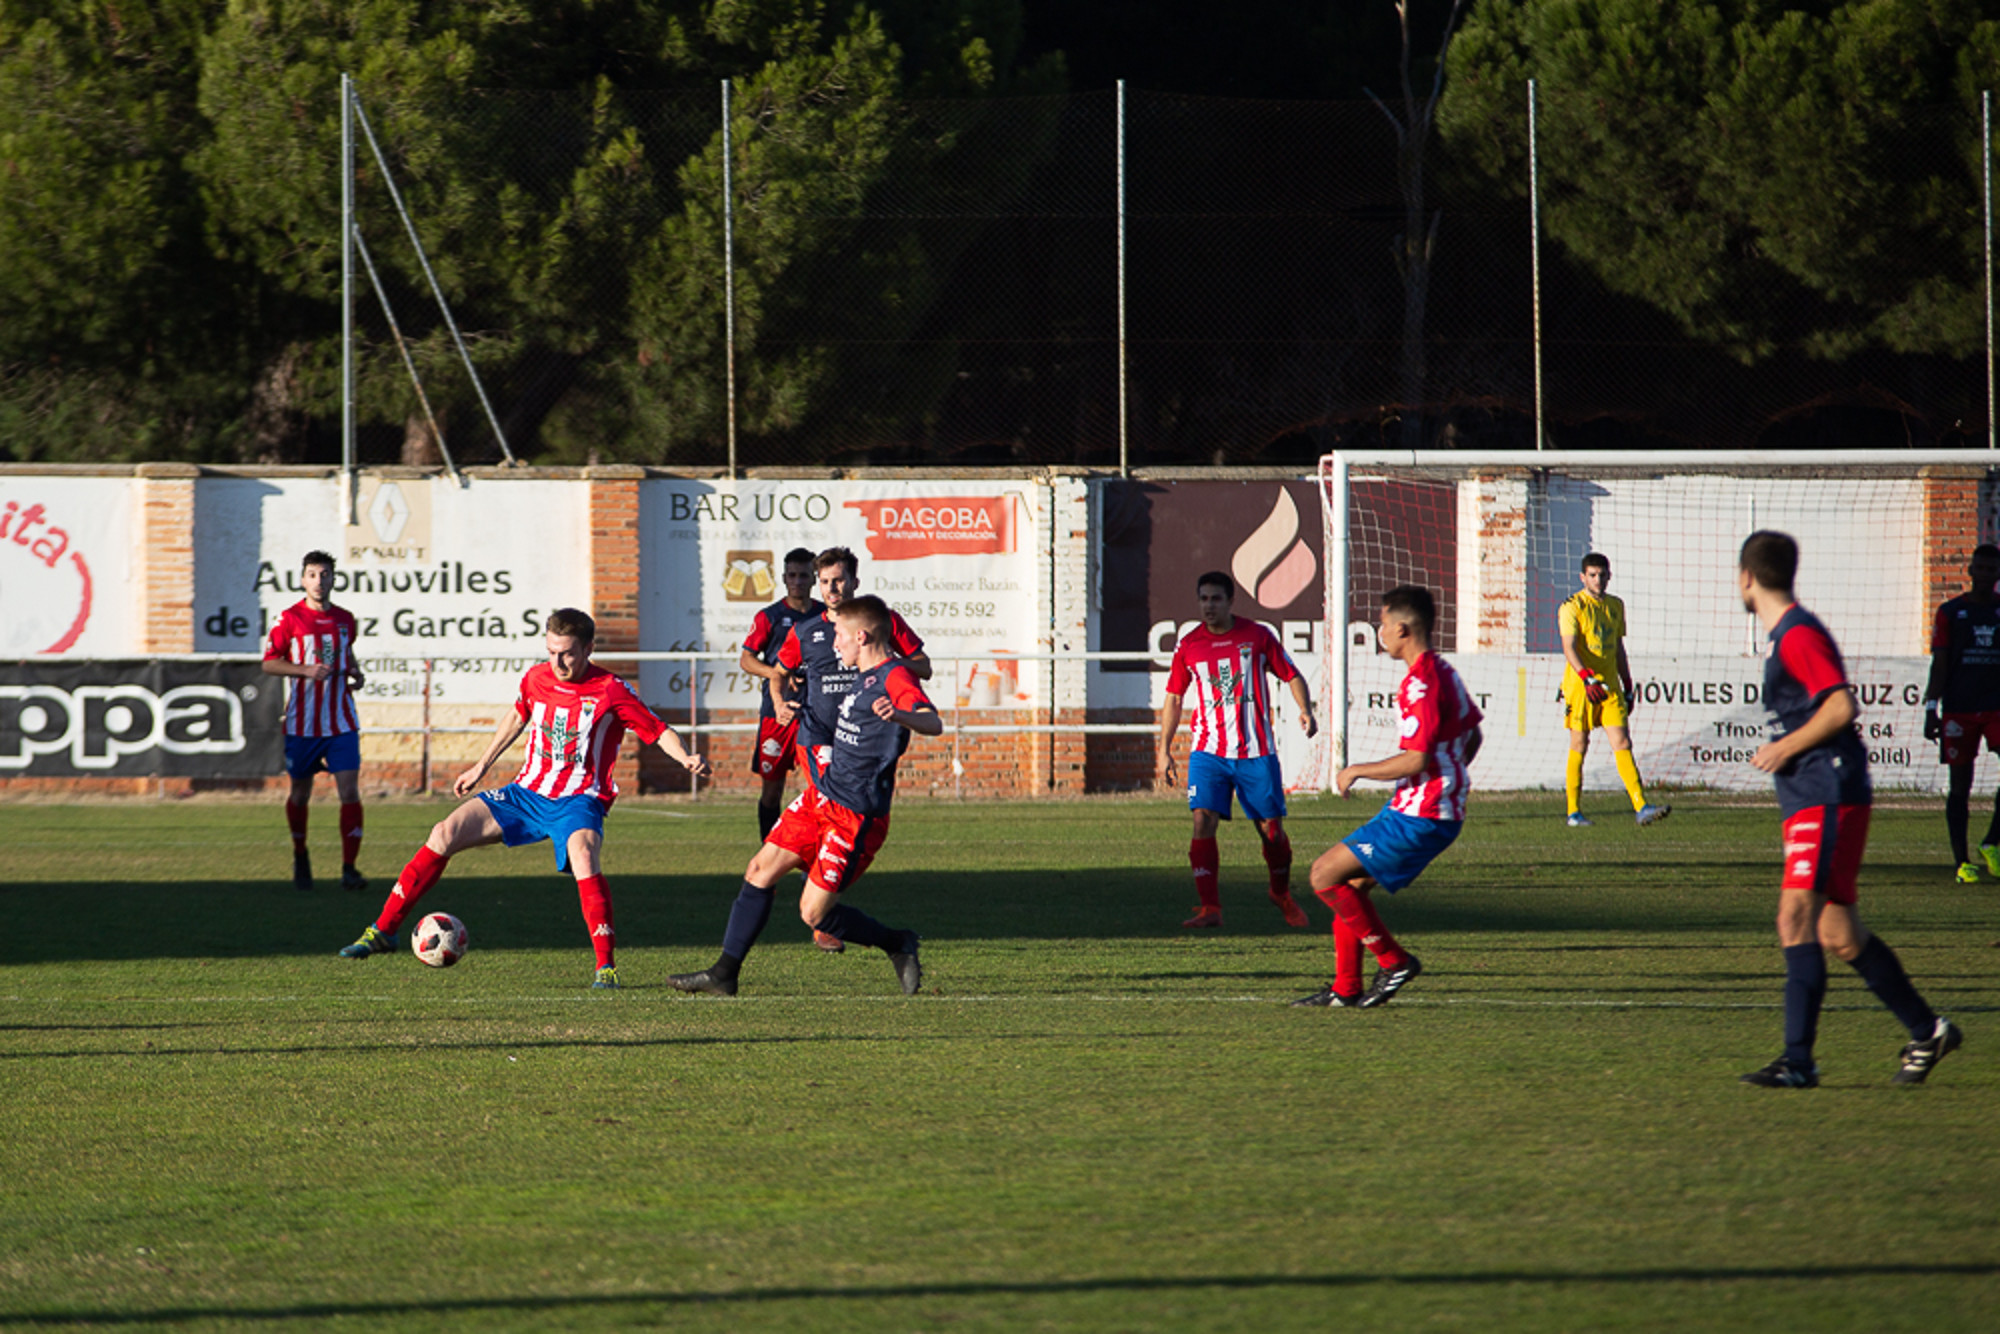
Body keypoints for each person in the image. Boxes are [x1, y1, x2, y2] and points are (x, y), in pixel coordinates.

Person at [336, 608, 709, 989]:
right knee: (443, 832)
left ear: (588, 648)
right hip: (525, 793)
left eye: (567, 653)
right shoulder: (536, 678)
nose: (558, 662)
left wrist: (686, 757)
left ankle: (605, 968)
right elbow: (517, 718)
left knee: (583, 855)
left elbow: (658, 729)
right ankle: (383, 931)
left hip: (578, 799)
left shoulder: (611, 689)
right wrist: (480, 766)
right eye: (551, 652)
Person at [1735, 531, 1962, 1088]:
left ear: (1746, 578)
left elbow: (1840, 704)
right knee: (1839, 934)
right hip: (1819, 795)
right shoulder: (1789, 633)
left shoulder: (1796, 635)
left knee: (1794, 918)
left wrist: (1784, 748)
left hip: (1825, 794)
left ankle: (1798, 1060)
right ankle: (1928, 1029)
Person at [667, 595, 938, 997]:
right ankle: (724, 974)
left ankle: (897, 943)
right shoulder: (861, 674)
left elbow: (932, 722)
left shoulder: (894, 676)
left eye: (840, 636)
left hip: (857, 816)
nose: (834, 644)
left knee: (813, 914)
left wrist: (900, 715)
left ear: (860, 636)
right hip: (821, 796)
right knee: (759, 870)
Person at [1291, 585, 1482, 1009]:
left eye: (1381, 624)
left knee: (1323, 875)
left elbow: (1416, 759)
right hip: (1428, 810)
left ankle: (1394, 961)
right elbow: (1473, 734)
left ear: (1401, 629)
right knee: (1350, 887)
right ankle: (1346, 988)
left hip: (1422, 815)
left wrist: (1357, 769)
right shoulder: (1444, 671)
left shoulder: (1420, 684)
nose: (1378, 631)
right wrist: (1451, 780)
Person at [772, 546, 929, 953]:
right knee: (819, 815)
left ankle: (820, 909)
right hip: (816, 737)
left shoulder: (878, 623)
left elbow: (923, 667)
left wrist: (885, 669)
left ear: (854, 581)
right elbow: (780, 672)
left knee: (840, 815)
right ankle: (819, 912)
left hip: (859, 741)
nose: (831, 588)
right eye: (824, 581)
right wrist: (779, 699)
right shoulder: (807, 630)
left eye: (838, 580)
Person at [1157, 571, 1317, 930]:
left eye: (1215, 599)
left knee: (1271, 831)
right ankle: (1209, 908)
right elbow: (1174, 697)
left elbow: (1291, 675)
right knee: (1202, 821)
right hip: (1208, 752)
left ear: (1230, 601)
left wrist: (1305, 710)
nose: (1208, 606)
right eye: (1203, 599)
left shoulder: (1258, 636)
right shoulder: (1189, 645)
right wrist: (1163, 748)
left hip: (1256, 751)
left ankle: (1280, 893)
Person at [261, 550, 368, 893]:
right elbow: (269, 663)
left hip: (341, 722)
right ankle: (300, 854)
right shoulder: (289, 619)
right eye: (312, 575)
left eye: (325, 575)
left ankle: (349, 868)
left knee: (350, 791)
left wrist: (355, 672)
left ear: (333, 579)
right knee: (300, 793)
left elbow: (347, 653)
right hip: (303, 725)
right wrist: (304, 670)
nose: (319, 581)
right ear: (302, 579)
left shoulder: (346, 619)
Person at [1557, 552, 1670, 829]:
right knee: (1579, 745)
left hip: (1609, 688)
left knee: (1622, 743)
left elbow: (1618, 648)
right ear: (1583, 577)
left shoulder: (1616, 605)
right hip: (1582, 687)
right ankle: (1573, 812)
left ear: (1609, 575)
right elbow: (1569, 647)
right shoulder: (1571, 606)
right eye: (1592, 575)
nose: (1598, 580)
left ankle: (1641, 806)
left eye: (1602, 574)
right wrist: (1586, 678)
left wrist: (1628, 685)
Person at [1924, 542, 2000, 883]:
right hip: (1959, 710)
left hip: (1996, 707)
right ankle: (1963, 863)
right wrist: (1931, 707)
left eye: (1990, 569)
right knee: (1959, 788)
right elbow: (1939, 663)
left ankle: (1991, 843)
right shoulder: (1951, 613)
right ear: (1969, 571)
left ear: (1997, 574)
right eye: (1979, 568)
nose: (1984, 575)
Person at [738, 547, 824, 840]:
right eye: (792, 575)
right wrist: (777, 674)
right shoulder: (770, 616)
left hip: (817, 712)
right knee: (772, 789)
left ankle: (813, 856)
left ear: (813, 579)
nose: (797, 581)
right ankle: (767, 852)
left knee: (818, 786)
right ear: (784, 578)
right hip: (777, 712)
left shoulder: (826, 616)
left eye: (803, 575)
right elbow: (747, 659)